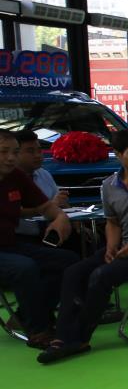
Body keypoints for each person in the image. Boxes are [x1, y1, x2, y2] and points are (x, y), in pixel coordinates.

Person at [38, 131, 128, 364]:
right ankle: (62, 336)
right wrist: (111, 247)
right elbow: (113, 222)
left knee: (101, 276)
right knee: (74, 272)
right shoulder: (109, 185)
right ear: (119, 155)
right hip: (125, 247)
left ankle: (79, 338)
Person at [0, 130, 76, 350]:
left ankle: (30, 315)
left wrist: (60, 217)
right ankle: (38, 330)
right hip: (9, 251)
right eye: (4, 152)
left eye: (14, 152)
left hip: (9, 245)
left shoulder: (16, 176)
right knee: (25, 268)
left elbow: (46, 206)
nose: (11, 158)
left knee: (68, 261)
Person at [15, 130, 67, 240]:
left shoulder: (43, 174)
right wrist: (50, 206)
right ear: (15, 153)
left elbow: (59, 203)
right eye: (30, 151)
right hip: (20, 236)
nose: (37, 155)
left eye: (39, 150)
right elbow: (15, 211)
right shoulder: (7, 178)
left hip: (51, 231)